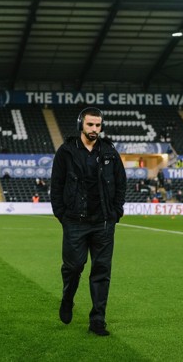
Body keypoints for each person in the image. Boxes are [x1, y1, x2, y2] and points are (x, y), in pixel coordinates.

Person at [50, 107, 126, 337]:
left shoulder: (110, 151)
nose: (94, 129)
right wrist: (62, 215)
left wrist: (115, 212)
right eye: (90, 124)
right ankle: (67, 298)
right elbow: (57, 185)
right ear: (81, 124)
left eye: (98, 125)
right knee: (73, 267)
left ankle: (98, 319)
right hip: (74, 221)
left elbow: (121, 182)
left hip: (103, 222)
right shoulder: (66, 151)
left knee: (102, 270)